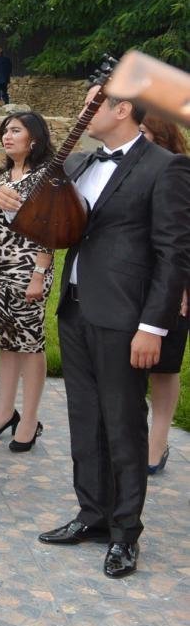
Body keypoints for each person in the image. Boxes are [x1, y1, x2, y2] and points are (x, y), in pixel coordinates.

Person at [0, 87, 189, 578]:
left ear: (122, 110)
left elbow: (173, 255)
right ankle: (93, 515)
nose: (83, 113)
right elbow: (58, 228)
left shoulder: (164, 167)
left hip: (127, 318)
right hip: (77, 309)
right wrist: (17, 207)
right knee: (84, 419)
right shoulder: (81, 161)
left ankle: (126, 533)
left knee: (123, 423)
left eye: (91, 105)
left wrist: (153, 326)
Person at [0, 113, 55, 450]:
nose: (7, 136)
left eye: (15, 131)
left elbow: (51, 228)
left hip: (27, 269)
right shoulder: (0, 176)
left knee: (30, 344)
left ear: (33, 139)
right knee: (5, 342)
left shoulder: (46, 178)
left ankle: (32, 420)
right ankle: (5, 412)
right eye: (5, 131)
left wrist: (39, 274)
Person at [139, 115, 187, 476]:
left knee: (165, 365)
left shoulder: (178, 173)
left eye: (143, 134)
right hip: (132, 283)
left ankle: (158, 441)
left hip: (173, 284)